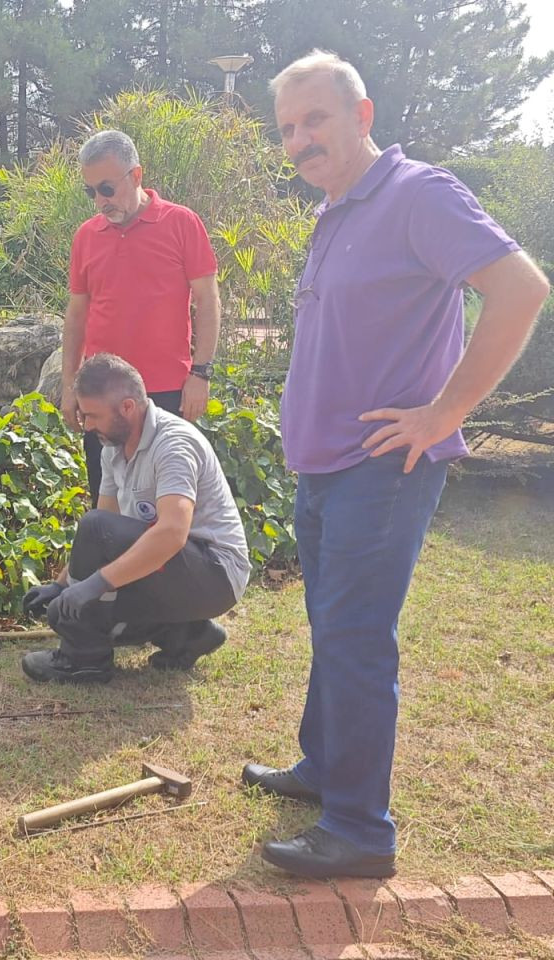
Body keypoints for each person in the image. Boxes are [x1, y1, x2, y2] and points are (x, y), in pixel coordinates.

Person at [243, 51, 549, 878]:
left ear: (363, 114)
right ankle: (323, 770)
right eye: (289, 129)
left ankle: (359, 831)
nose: (301, 140)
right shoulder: (335, 209)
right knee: (333, 630)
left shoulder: (420, 193)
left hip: (381, 470)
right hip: (323, 466)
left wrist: (445, 412)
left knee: (356, 639)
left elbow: (520, 288)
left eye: (317, 120)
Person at [21, 353, 250, 684]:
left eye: (92, 416)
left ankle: (83, 661)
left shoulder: (173, 445)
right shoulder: (113, 447)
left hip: (215, 573)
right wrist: (60, 585)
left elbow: (172, 533)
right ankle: (186, 635)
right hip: (176, 570)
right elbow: (103, 531)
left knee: (89, 604)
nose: (86, 426)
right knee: (67, 611)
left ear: (127, 407)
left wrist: (95, 585)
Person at [62, 129, 222, 498]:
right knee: (107, 502)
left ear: (136, 176)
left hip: (165, 392)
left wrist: (201, 373)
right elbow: (76, 317)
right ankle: (113, 560)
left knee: (168, 501)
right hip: (102, 393)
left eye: (106, 188)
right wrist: (71, 385)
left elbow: (208, 301)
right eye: (90, 192)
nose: (99, 202)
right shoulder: (86, 236)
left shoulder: (182, 223)